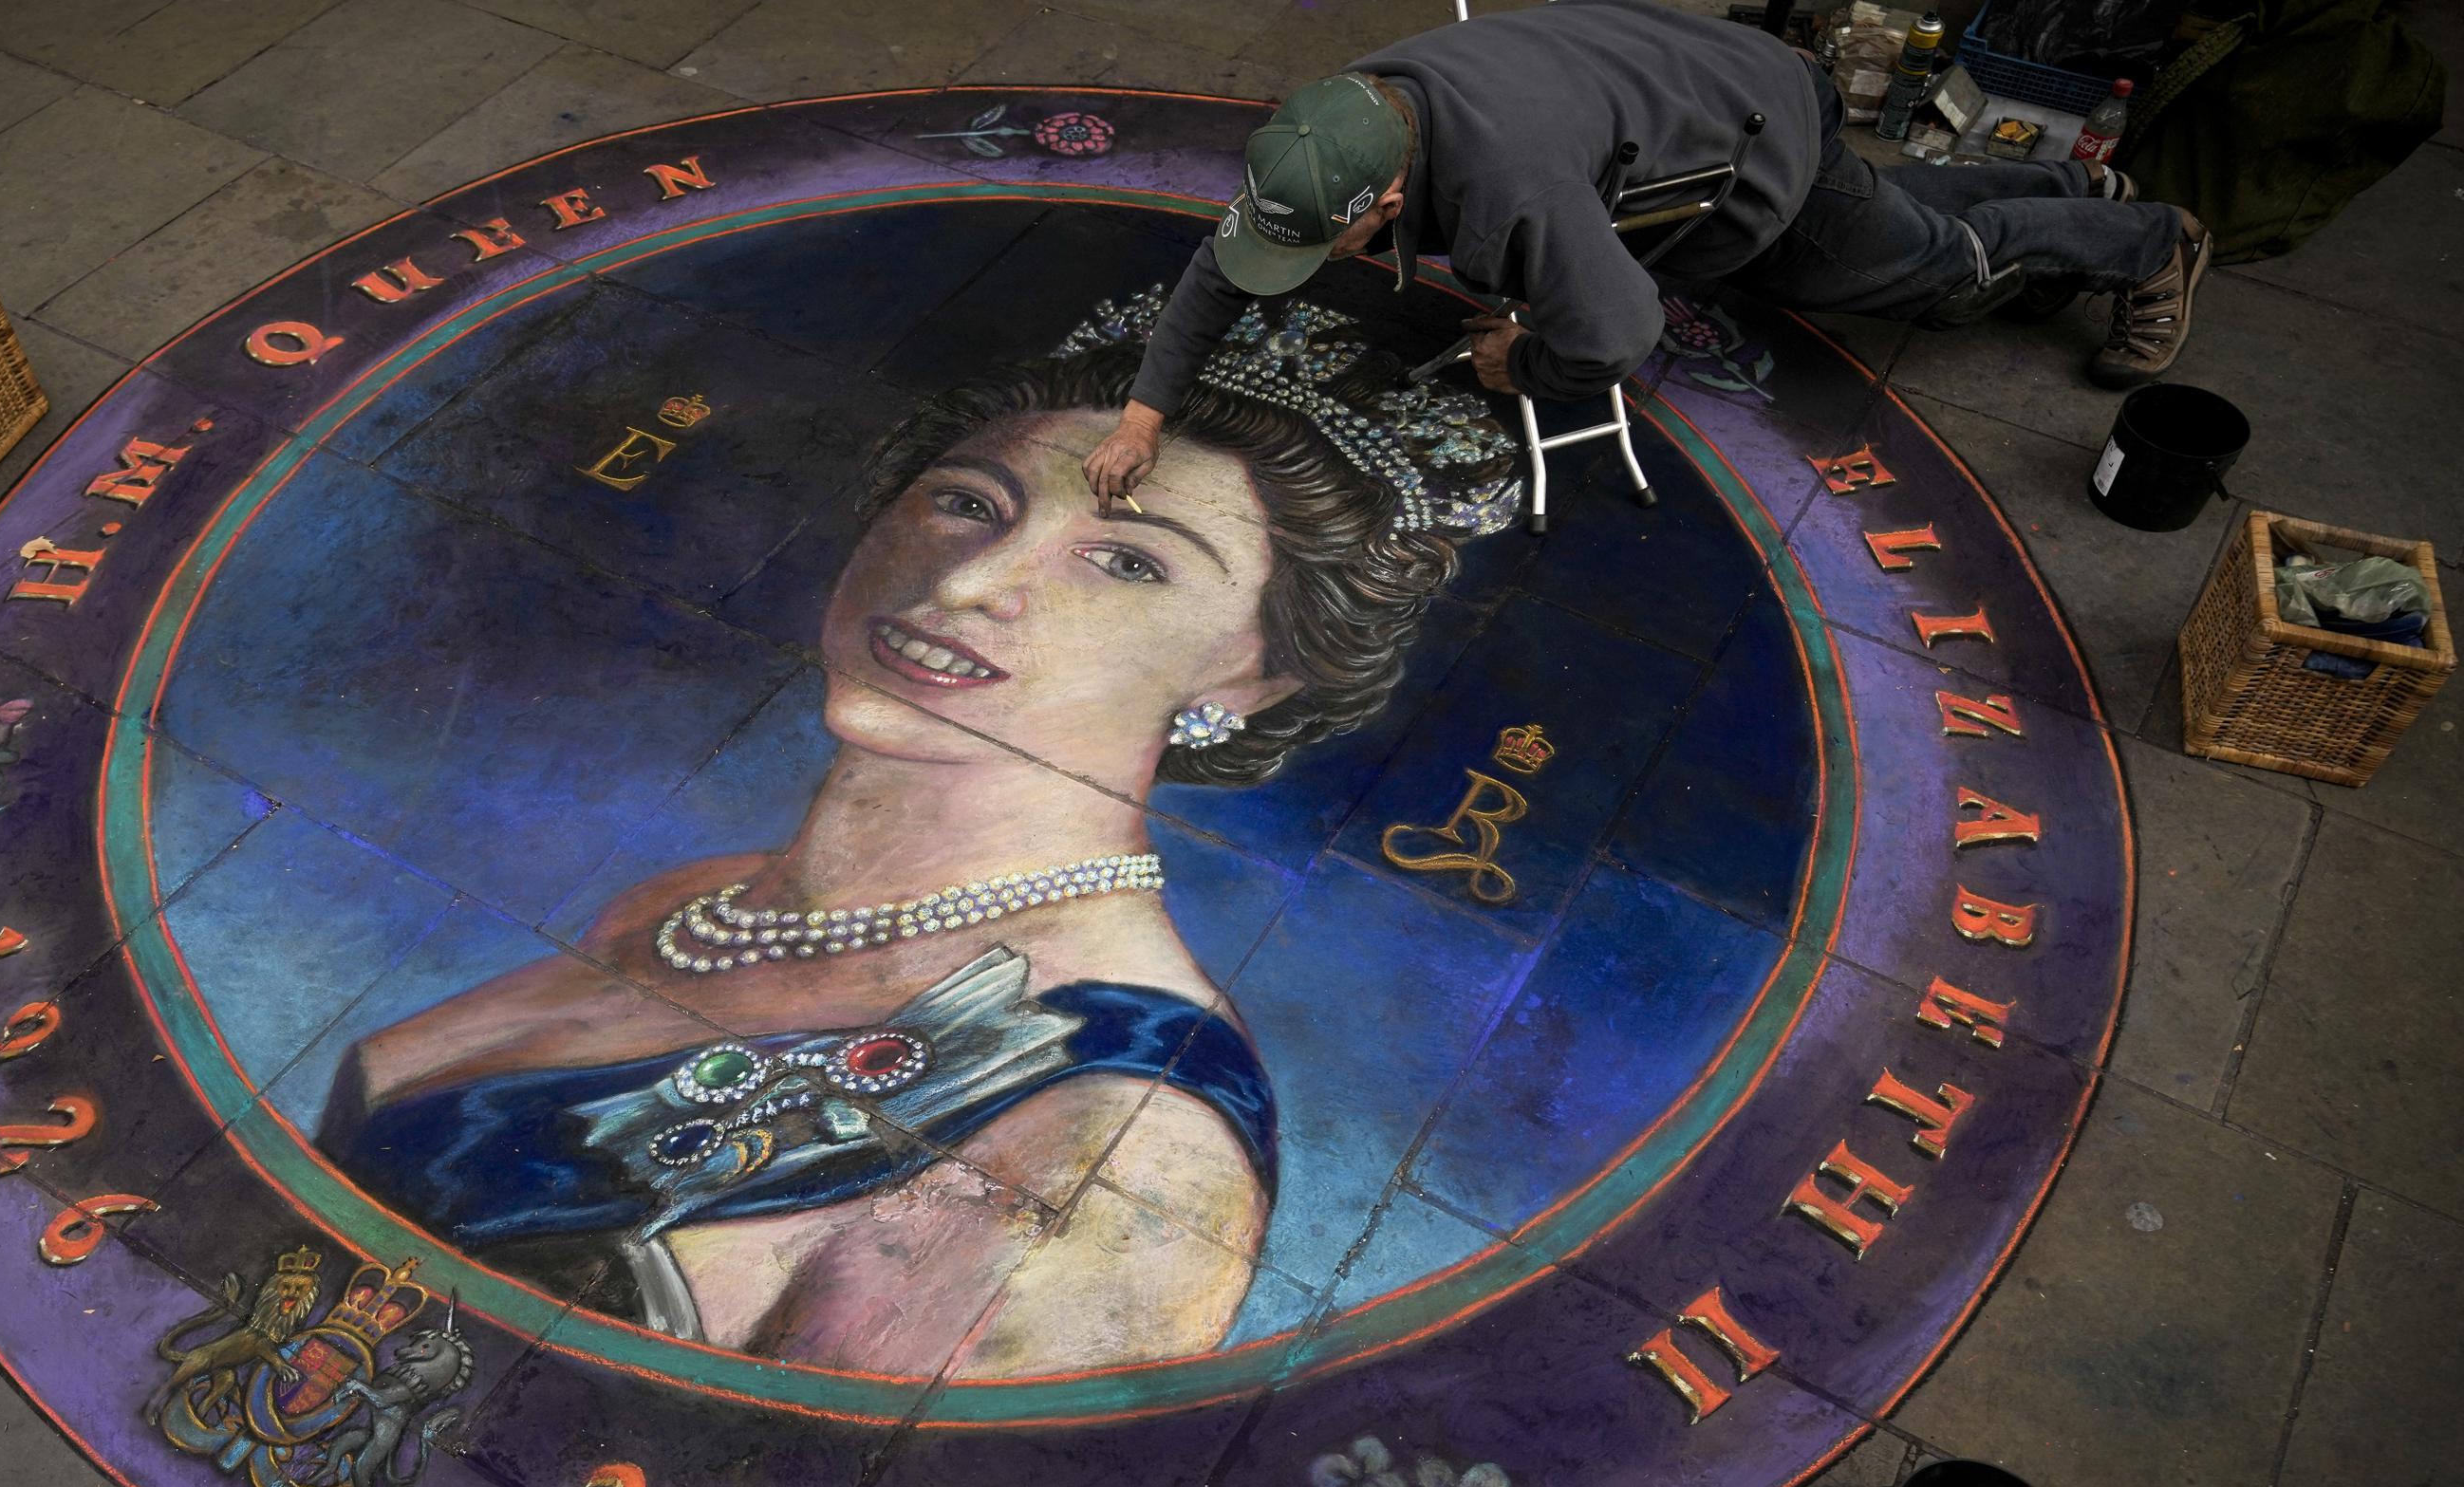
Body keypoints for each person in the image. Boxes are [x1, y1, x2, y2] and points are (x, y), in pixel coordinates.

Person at [314, 299, 1521, 1381]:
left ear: (1257, 678)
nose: (966, 581)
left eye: (1124, 561)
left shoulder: (1120, 1151)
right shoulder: (691, 898)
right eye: (966, 502)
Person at [1086, 0, 2209, 506]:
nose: (1326, 259)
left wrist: (1517, 364)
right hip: (1678, 80)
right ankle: (2075, 189)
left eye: (1339, 243)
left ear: (1386, 195)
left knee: (1924, 263)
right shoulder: (1339, 123)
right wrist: (1146, 411)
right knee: (1890, 209)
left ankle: (2151, 243)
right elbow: (1228, 266)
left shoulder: (1510, 188)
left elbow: (1619, 329)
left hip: (1749, 142)